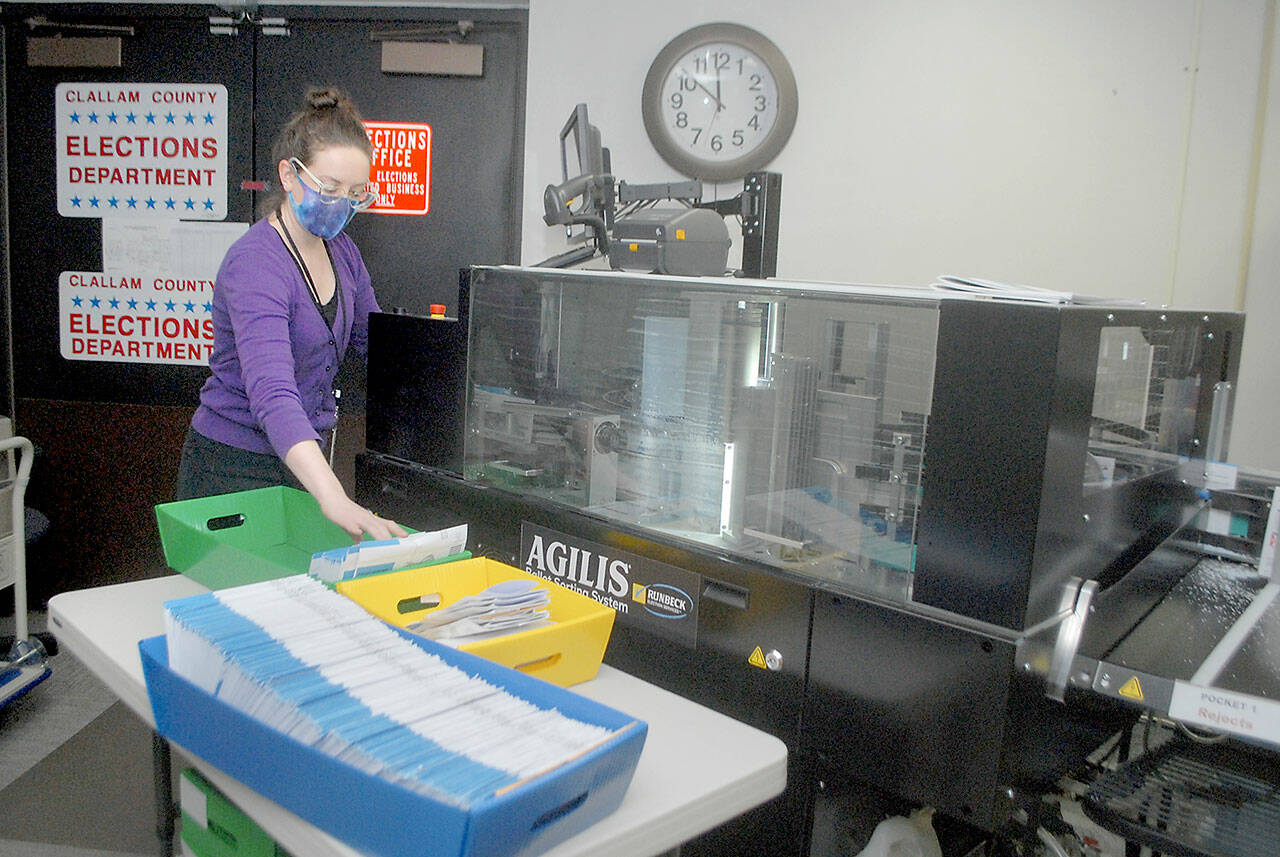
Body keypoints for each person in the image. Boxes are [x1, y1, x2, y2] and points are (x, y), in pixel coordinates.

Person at [176, 86, 406, 543]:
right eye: (329, 189)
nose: (341, 204)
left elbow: (378, 349)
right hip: (233, 469)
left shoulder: (343, 252)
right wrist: (333, 495)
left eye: (355, 194)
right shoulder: (256, 264)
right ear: (289, 174)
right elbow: (273, 393)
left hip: (301, 465)